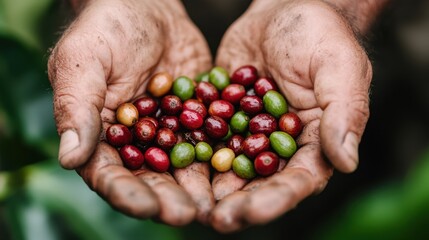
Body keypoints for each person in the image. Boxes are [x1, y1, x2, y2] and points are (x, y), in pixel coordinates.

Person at [47, 0, 389, 233]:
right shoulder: (182, 115)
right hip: (143, 50)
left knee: (353, 178)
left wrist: (335, 5)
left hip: (352, 57)